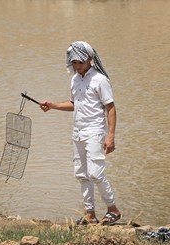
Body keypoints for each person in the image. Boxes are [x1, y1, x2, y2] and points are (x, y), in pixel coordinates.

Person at [40, 41, 121, 225]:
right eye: (74, 62)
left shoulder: (100, 80)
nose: (77, 66)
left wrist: (110, 136)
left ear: (90, 60)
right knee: (81, 174)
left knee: (96, 173)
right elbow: (74, 104)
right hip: (78, 132)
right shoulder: (75, 79)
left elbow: (110, 108)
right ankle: (90, 214)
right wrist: (53, 106)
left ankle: (113, 209)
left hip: (94, 131)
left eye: (80, 62)